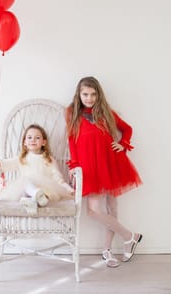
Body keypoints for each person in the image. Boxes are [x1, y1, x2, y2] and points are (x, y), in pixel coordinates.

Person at [65, 76, 142, 268]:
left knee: (112, 208)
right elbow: (71, 140)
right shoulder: (72, 112)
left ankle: (107, 250)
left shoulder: (107, 112)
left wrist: (122, 144)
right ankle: (130, 236)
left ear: (98, 95)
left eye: (93, 94)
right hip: (89, 167)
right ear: (79, 94)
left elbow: (127, 129)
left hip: (110, 162)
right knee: (93, 211)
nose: (89, 98)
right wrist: (74, 164)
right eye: (85, 94)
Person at [0, 124, 74, 215]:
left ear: (43, 142)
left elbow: (57, 178)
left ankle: (36, 197)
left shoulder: (49, 160)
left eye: (37, 138)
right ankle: (33, 198)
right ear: (24, 142)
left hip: (45, 191)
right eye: (29, 137)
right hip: (25, 190)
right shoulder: (22, 159)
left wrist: (68, 189)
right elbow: (3, 165)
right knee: (25, 181)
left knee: (31, 184)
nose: (33, 140)